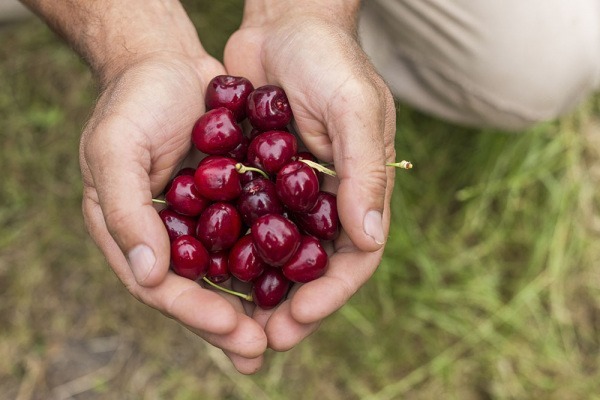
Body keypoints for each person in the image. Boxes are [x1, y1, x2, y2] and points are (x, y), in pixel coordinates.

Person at [14, 0, 599, 375]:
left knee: (544, 61)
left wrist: (304, 14)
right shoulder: (250, 194)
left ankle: (367, 32)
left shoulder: (268, 189)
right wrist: (133, 41)